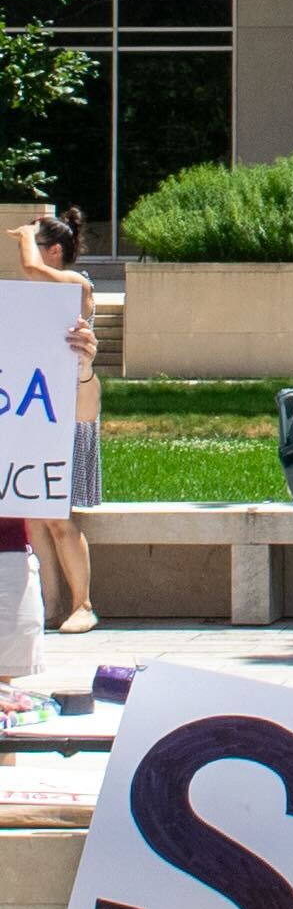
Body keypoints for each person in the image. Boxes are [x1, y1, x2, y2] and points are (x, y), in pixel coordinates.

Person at [11, 217, 98, 634]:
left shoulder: (75, 283)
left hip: (69, 407)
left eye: (37, 244)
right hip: (41, 410)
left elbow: (30, 268)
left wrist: (24, 236)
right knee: (36, 514)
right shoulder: (47, 292)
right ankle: (50, 606)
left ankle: (83, 603)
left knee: (59, 516)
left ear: (55, 250)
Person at [0, 314, 97, 684]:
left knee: (4, 709)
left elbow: (84, 413)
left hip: (5, 554)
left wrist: (83, 369)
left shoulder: (20, 337)